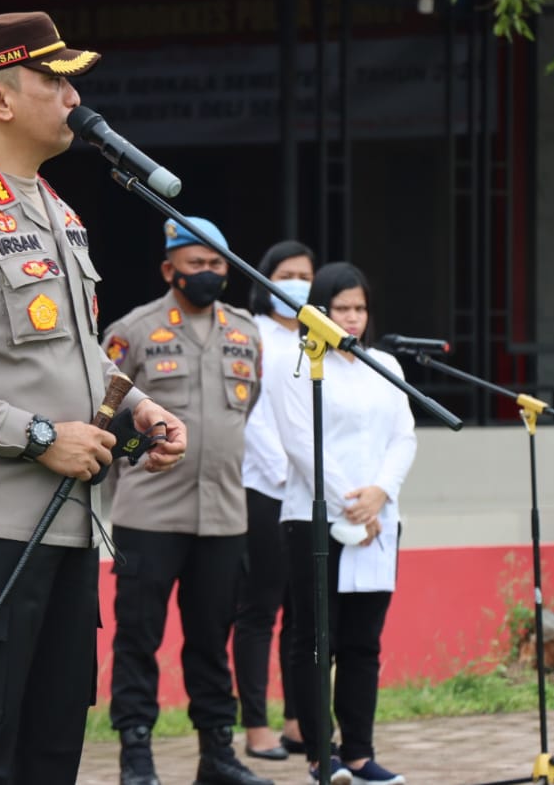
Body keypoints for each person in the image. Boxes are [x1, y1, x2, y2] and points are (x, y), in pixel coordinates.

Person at [0, 11, 187, 785]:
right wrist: (40, 435)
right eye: (54, 78)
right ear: (2, 100)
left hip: (68, 526)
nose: (72, 94)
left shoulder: (56, 209)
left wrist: (135, 410)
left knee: (50, 751)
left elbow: (73, 351)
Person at [102, 217, 271, 785]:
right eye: (195, 264)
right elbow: (104, 411)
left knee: (211, 642)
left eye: (217, 264)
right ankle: (136, 756)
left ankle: (218, 756)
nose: (207, 273)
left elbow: (242, 413)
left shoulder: (247, 331)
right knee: (138, 639)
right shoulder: (134, 330)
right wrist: (135, 456)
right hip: (149, 513)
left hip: (223, 515)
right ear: (169, 269)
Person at [262, 262, 416, 785]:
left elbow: (405, 437)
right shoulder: (294, 363)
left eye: (360, 308)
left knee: (362, 645)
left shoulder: (386, 364)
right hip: (314, 519)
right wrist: (352, 503)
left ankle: (359, 753)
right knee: (315, 641)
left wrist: (379, 495)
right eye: (341, 308)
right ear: (318, 312)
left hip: (379, 519)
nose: (352, 318)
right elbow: (300, 444)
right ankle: (317, 754)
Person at [232, 240, 315, 761]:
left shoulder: (318, 341)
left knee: (302, 611)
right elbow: (253, 418)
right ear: (265, 280)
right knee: (259, 607)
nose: (298, 283)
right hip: (263, 489)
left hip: (309, 494)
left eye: (307, 275)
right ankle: (257, 726)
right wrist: (288, 473)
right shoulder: (250, 335)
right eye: (287, 274)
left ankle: (298, 721)